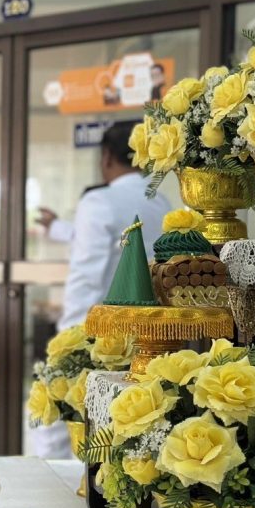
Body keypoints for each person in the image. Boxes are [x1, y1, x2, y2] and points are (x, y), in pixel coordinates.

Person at [31, 121, 170, 458]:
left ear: (106, 156)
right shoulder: (162, 203)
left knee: (68, 421)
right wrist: (57, 228)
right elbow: (117, 240)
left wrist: (70, 339)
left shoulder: (99, 201)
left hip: (102, 335)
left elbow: (87, 273)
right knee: (131, 426)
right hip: (151, 336)